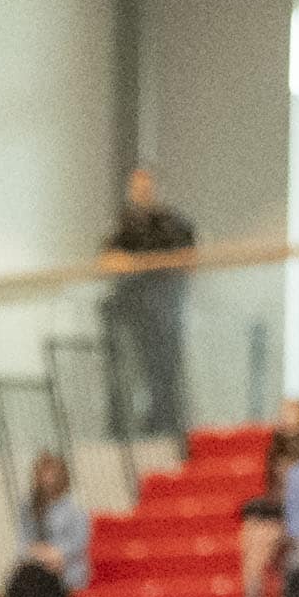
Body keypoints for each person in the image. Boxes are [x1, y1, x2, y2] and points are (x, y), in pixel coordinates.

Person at [98, 160, 201, 437]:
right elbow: (108, 260)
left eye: (146, 186)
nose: (141, 192)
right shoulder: (126, 226)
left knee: (163, 372)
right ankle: (123, 428)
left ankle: (165, 425)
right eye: (136, 187)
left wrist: (149, 266)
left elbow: (188, 259)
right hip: (131, 315)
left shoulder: (173, 224)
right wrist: (132, 265)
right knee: (127, 371)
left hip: (163, 311)